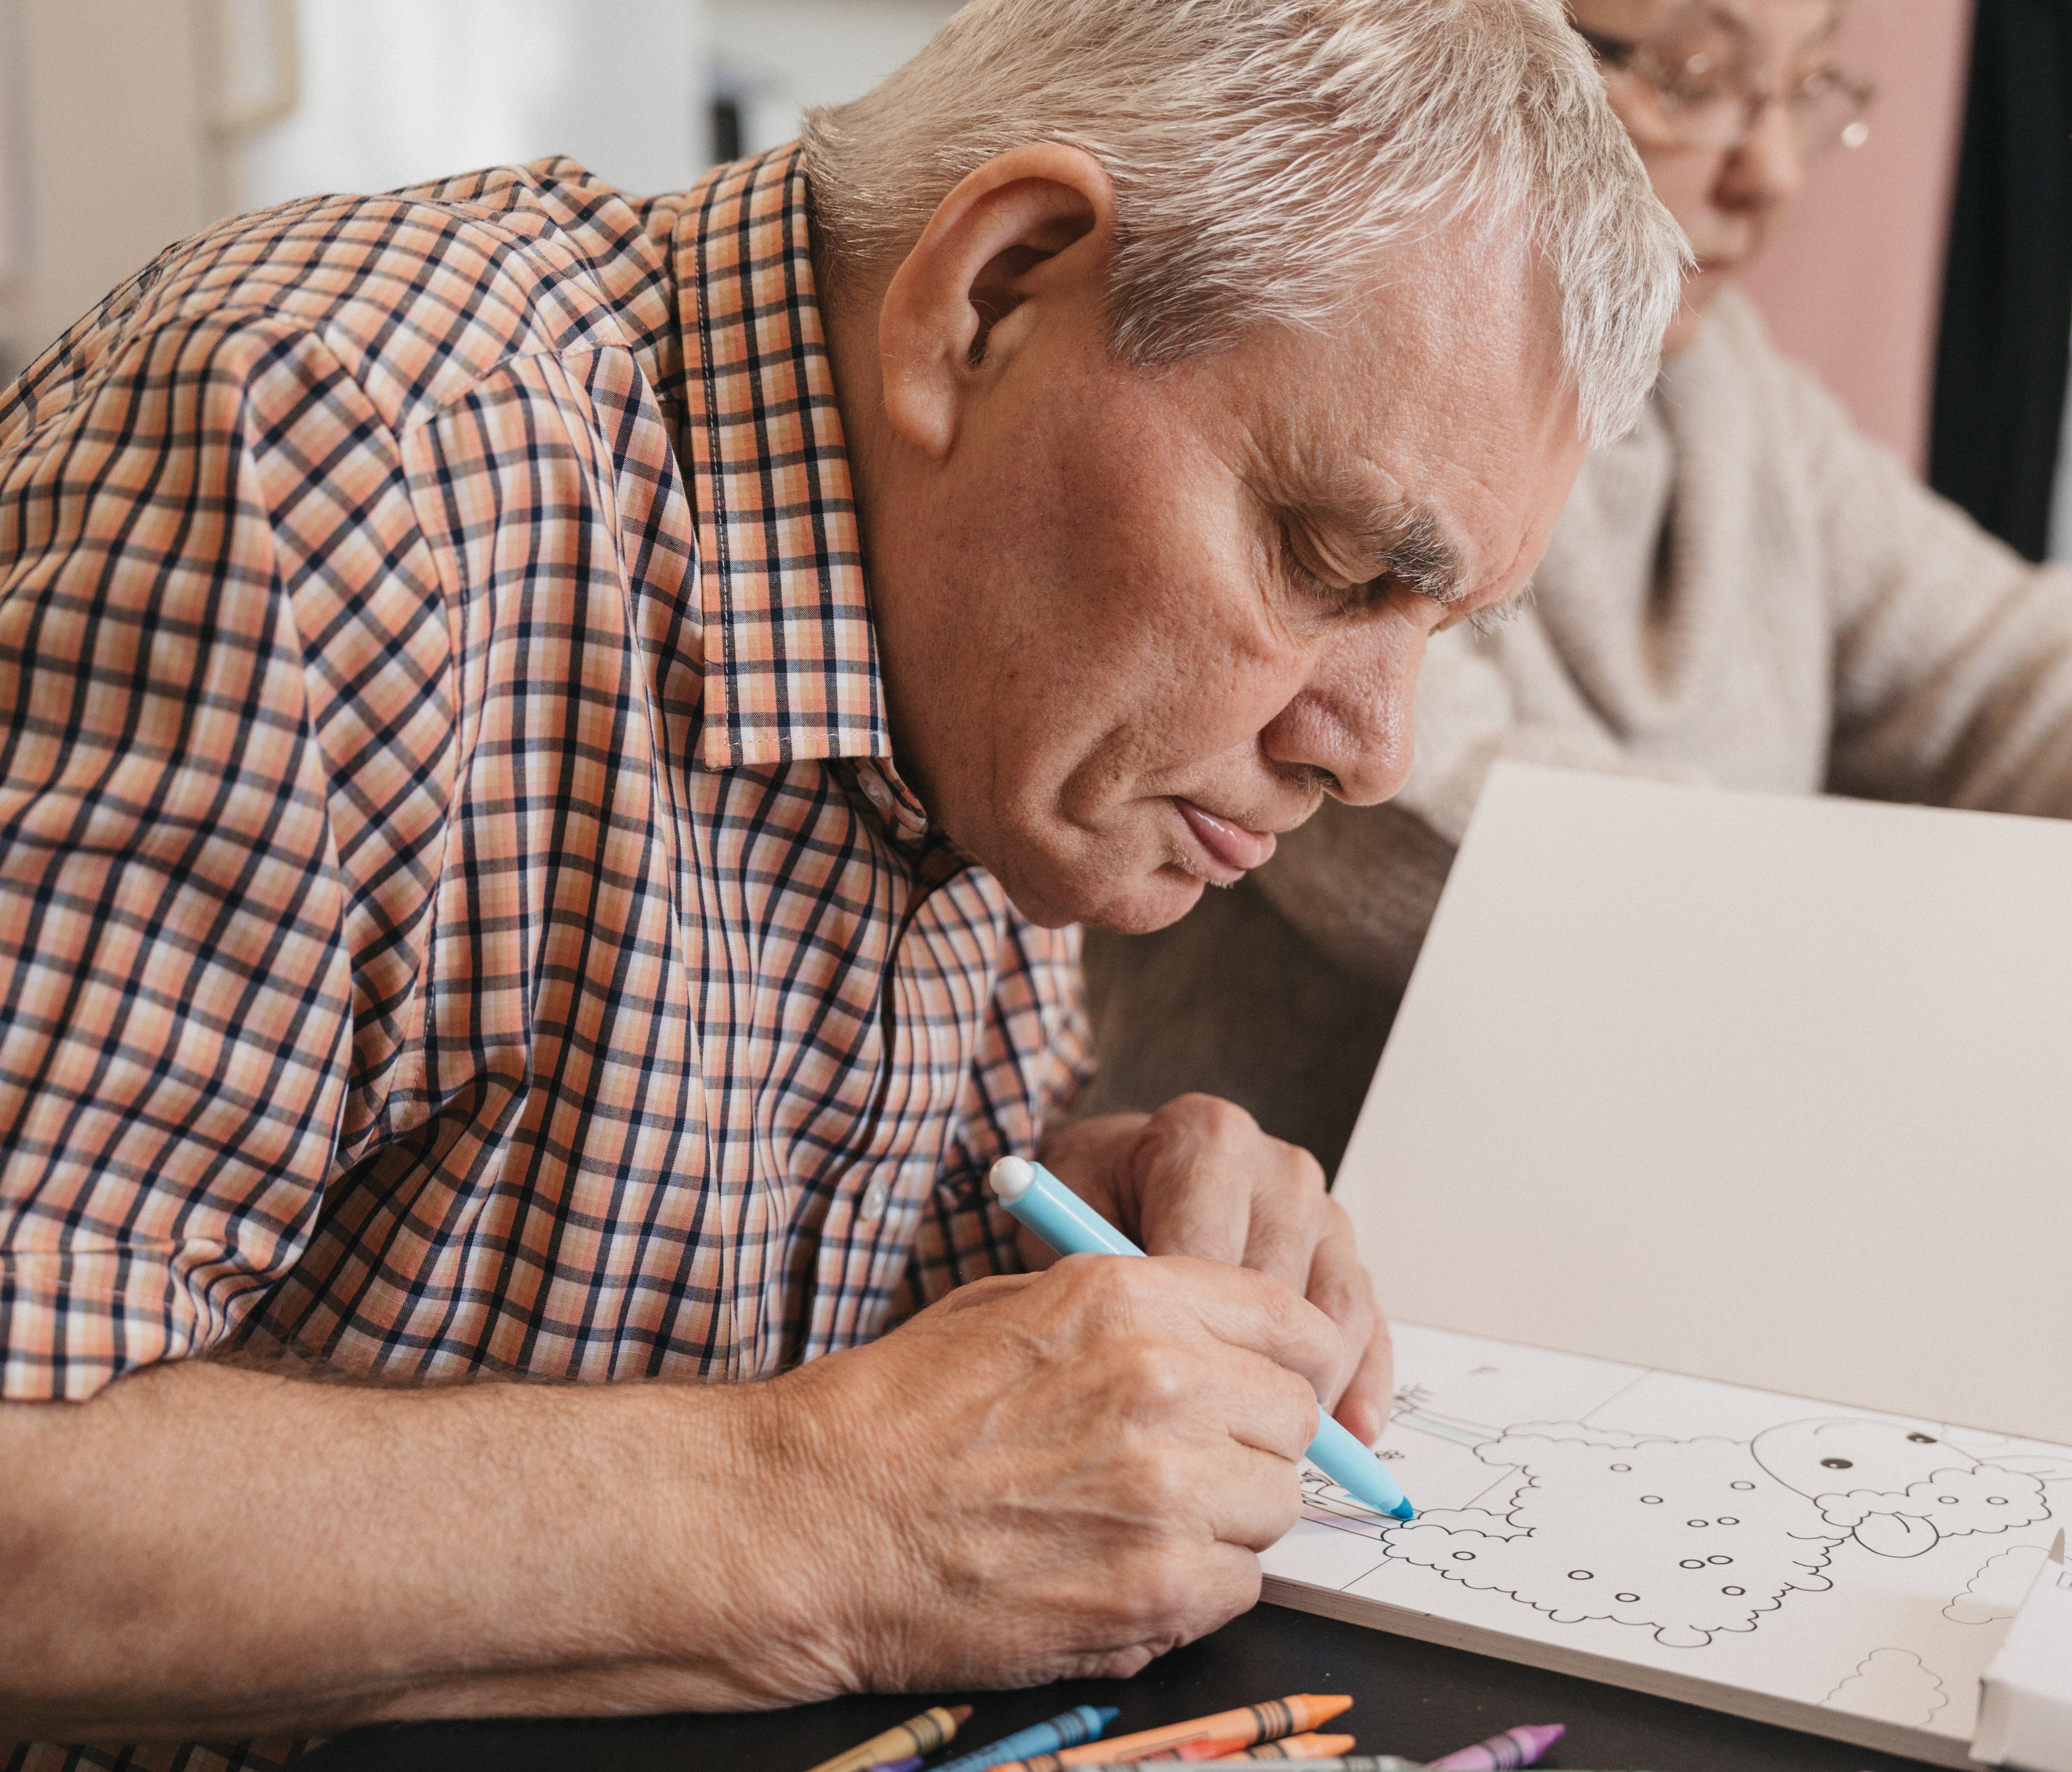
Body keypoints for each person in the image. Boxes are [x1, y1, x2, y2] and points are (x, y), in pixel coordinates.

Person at [0, 2, 1685, 1767]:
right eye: (1331, 561)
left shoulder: (981, 661)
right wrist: (824, 1510)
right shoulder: (349, 461)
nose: (1377, 747)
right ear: (992, 298)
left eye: (1444, 628)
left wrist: (1051, 1242)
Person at [1081, 0, 2072, 1175]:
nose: (1769, 174)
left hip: (1671, 1196)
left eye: (1806, 87)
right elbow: (1454, 825)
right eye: (1694, 76)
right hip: (1269, 1247)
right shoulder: (1342, 371)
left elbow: (2015, 671)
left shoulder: (1730, 390)